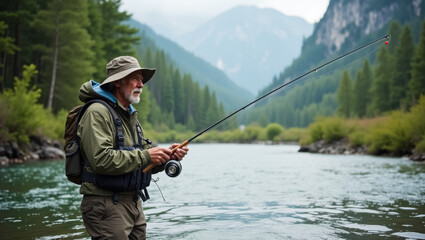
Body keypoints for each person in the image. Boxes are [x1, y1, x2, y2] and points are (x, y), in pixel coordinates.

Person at [77, 56, 189, 239]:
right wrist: (147, 156)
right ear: (118, 82)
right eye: (135, 78)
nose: (141, 84)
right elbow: (101, 160)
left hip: (133, 203)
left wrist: (168, 157)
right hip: (106, 204)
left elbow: (141, 163)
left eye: (142, 80)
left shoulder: (130, 116)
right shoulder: (96, 112)